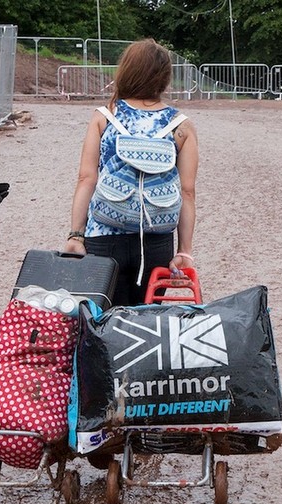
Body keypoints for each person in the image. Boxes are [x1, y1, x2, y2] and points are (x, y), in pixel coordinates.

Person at [64, 38, 198, 307]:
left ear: (125, 71)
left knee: (101, 324)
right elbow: (187, 192)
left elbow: (86, 178)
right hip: (156, 239)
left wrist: (76, 236)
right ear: (164, 77)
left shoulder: (103, 117)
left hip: (103, 233)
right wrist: (184, 251)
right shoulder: (181, 125)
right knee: (145, 325)